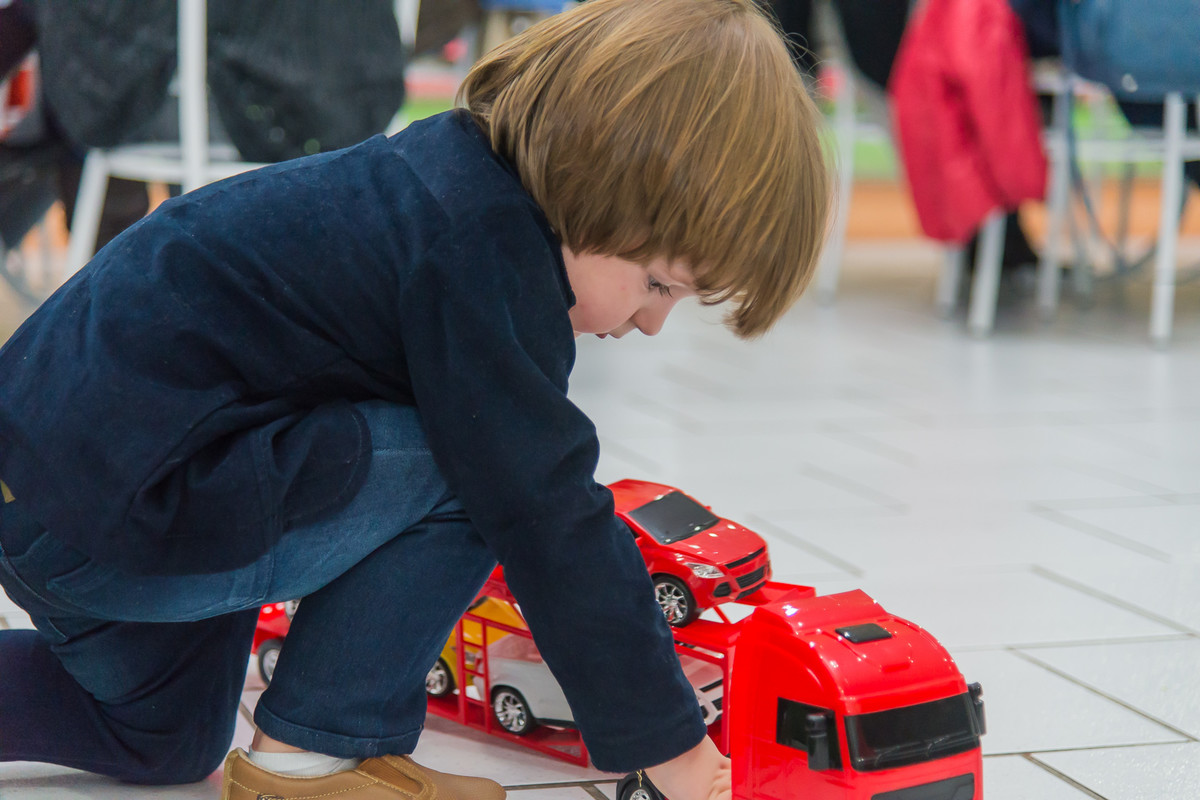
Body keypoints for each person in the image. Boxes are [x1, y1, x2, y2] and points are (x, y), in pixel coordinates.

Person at [0, 0, 830, 798]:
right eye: (657, 285)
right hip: (117, 501)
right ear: (597, 177)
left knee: (166, 737)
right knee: (478, 466)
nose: (651, 324)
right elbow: (547, 516)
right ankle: (312, 762)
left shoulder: (451, 179)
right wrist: (672, 743)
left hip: (67, 485)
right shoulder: (483, 252)